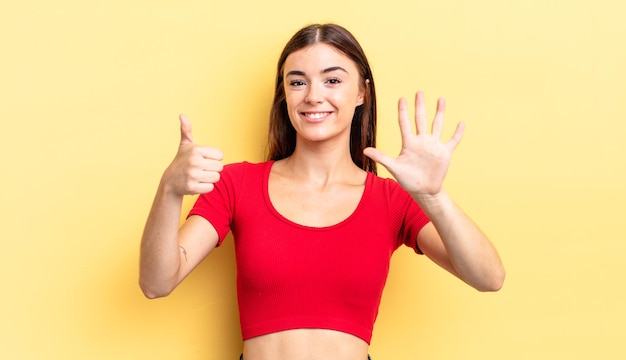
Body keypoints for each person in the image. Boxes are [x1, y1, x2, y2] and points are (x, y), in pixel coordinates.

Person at [139, 23, 505, 360]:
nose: (313, 96)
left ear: (362, 92)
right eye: (297, 82)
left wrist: (433, 197)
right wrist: (169, 189)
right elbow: (157, 282)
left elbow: (488, 278)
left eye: (332, 81)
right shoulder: (236, 185)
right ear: (284, 94)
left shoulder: (392, 200)